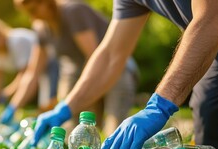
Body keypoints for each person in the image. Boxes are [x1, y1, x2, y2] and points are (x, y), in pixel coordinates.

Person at [32, 0, 218, 149]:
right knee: (207, 105)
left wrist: (159, 105)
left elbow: (213, 20)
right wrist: (66, 107)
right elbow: (112, 53)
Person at [12, 0, 139, 135]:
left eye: (33, 10)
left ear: (46, 2)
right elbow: (33, 72)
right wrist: (13, 107)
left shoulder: (73, 12)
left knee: (113, 128)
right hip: (78, 75)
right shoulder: (41, 28)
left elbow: (93, 55)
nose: (32, 16)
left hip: (114, 70)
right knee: (72, 130)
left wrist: (82, 96)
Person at [0, 18, 59, 123]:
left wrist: (11, 104)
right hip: (34, 75)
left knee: (49, 105)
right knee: (44, 107)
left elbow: (26, 75)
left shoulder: (17, 41)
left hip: (51, 65)